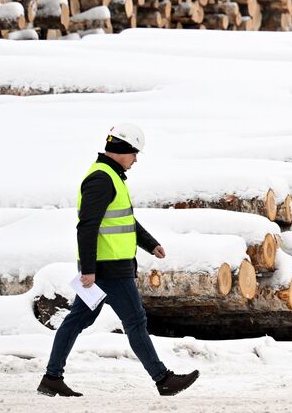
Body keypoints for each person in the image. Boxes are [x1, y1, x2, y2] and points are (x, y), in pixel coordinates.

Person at [38, 123, 200, 397]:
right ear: (122, 150)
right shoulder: (101, 179)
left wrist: (150, 244)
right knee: (135, 322)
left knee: (76, 321)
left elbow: (124, 220)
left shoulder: (110, 176)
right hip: (109, 272)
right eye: (134, 153)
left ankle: (52, 378)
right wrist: (88, 270)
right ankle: (163, 380)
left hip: (105, 269)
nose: (136, 159)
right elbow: (87, 226)